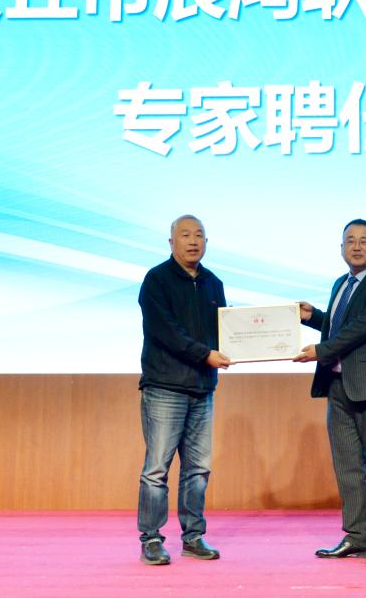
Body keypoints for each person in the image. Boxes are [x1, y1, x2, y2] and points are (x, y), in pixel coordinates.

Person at [293, 219, 366, 566]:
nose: (356, 246)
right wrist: (313, 317)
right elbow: (340, 324)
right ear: (341, 248)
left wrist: (321, 350)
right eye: (350, 241)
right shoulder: (341, 283)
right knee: (347, 468)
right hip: (338, 385)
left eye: (364, 241)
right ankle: (356, 536)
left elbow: (362, 328)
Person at [136, 215, 231, 565]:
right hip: (165, 387)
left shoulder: (213, 283)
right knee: (156, 469)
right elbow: (165, 331)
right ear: (171, 242)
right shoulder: (156, 279)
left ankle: (193, 537)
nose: (193, 241)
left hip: (202, 389)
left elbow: (226, 329)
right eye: (185, 235)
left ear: (207, 242)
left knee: (198, 469)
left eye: (199, 235)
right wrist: (204, 354)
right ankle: (151, 539)